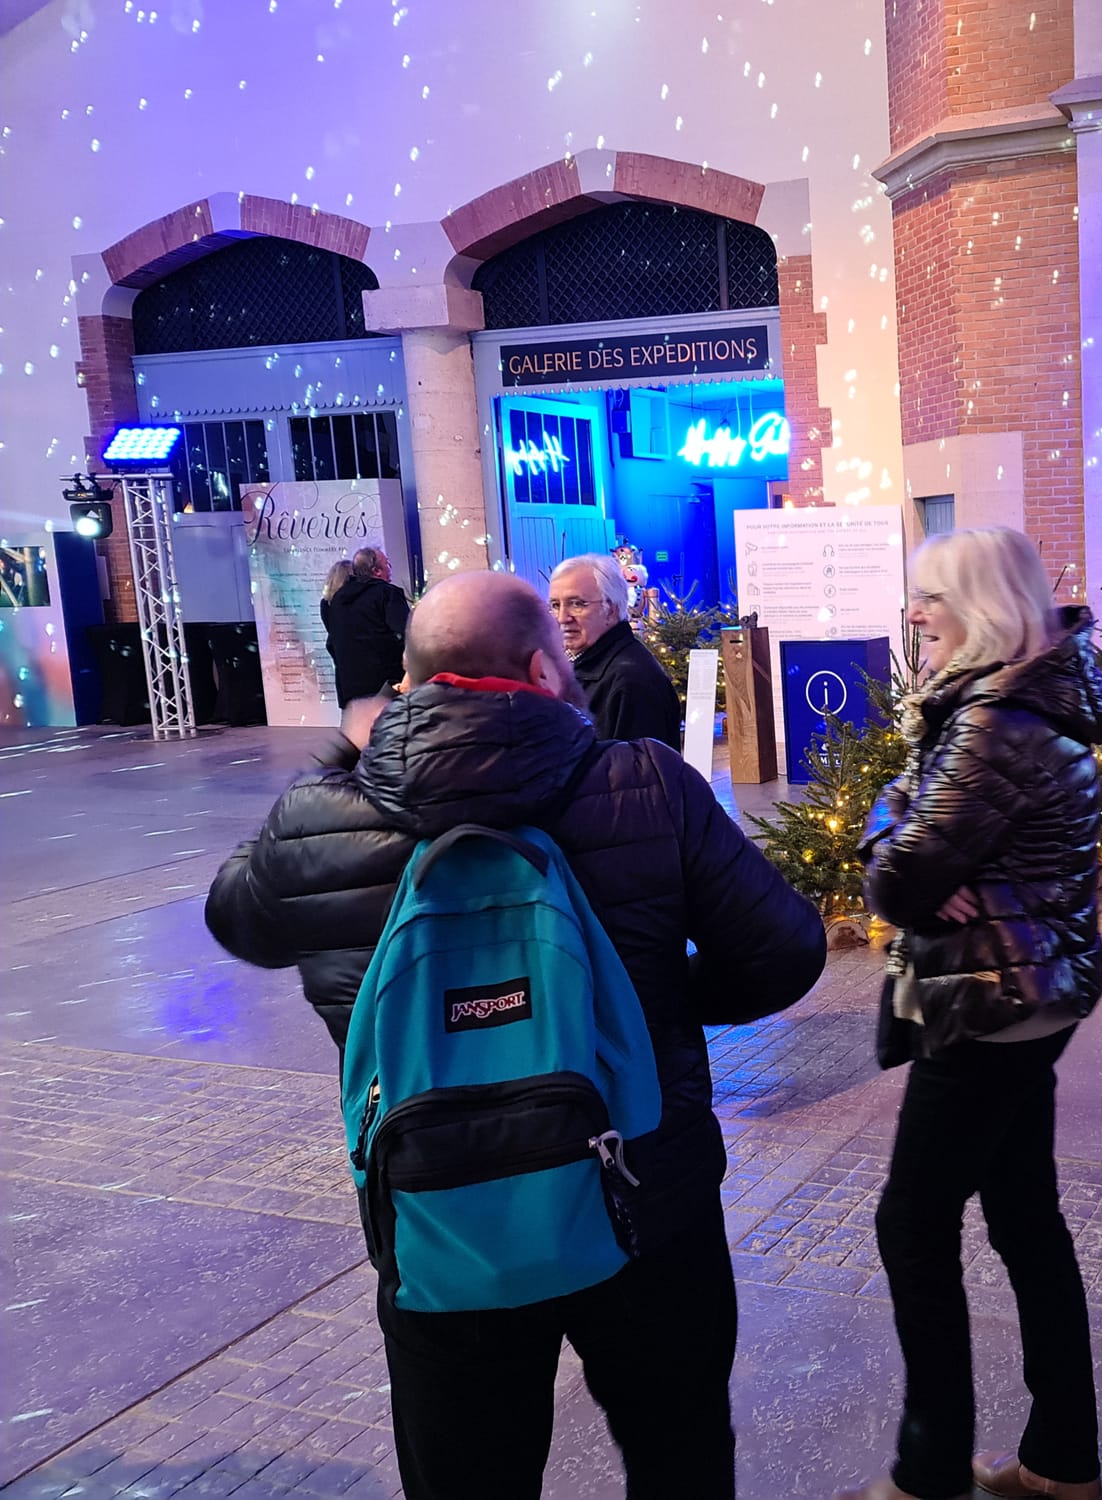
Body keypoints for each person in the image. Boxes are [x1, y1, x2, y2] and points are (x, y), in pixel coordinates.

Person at [205, 569, 827, 1499]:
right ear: (542, 669)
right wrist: (658, 1005)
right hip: (647, 1196)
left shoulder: (317, 820)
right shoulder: (647, 784)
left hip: (440, 1220)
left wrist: (337, 758)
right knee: (680, 1456)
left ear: (409, 681)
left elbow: (235, 919)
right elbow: (788, 951)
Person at [840, 526, 1102, 1500]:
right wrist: (899, 830)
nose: (915, 613)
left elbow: (905, 879)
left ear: (982, 610)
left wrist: (898, 853)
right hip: (1030, 994)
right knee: (1024, 1217)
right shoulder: (1018, 702)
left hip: (990, 1003)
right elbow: (904, 816)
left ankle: (929, 1474)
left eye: (932, 598)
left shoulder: (993, 722)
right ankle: (1062, 1460)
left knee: (912, 1226)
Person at [550, 552, 684, 749]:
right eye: (555, 605)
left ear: (610, 610)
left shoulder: (631, 681)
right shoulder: (591, 664)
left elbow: (638, 767)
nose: (562, 617)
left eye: (577, 604)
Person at [321, 546, 409, 706]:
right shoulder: (388, 594)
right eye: (387, 564)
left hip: (350, 689)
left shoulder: (336, 601)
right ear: (376, 571)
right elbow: (406, 634)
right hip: (386, 687)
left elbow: (333, 642)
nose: (390, 569)